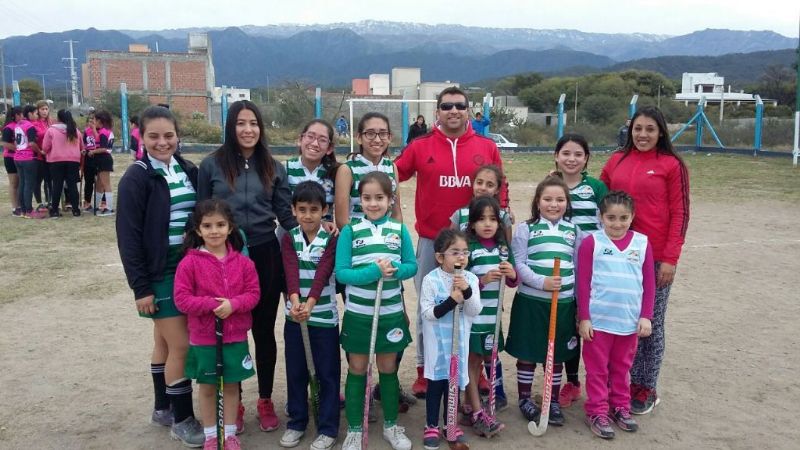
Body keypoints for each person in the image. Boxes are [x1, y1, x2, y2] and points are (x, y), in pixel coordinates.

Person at [394, 86, 508, 398]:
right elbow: (390, 174)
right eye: (447, 106)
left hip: (472, 244)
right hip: (433, 242)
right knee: (429, 307)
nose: (453, 111)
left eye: (459, 105)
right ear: (437, 112)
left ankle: (475, 370)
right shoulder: (420, 146)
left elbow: (502, 191)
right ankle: (424, 370)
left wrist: (498, 234)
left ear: (468, 110)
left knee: (474, 305)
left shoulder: (486, 146)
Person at [197, 100, 297, 433]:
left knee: (264, 331)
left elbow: (285, 216)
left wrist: (315, 229)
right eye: (241, 123)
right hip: (225, 258)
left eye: (253, 123)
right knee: (230, 332)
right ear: (231, 126)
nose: (248, 129)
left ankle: (265, 399)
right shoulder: (211, 165)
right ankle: (235, 401)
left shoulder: (274, 166)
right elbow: (200, 215)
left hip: (265, 252)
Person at [116, 105, 204, 447]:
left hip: (187, 265)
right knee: (182, 344)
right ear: (141, 136)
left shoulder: (187, 169)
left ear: (177, 136)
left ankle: (162, 407)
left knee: (164, 342)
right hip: (159, 271)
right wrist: (142, 288)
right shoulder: (136, 177)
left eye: (168, 135)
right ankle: (182, 419)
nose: (162, 142)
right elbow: (128, 237)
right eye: (153, 136)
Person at [600, 106, 690, 415]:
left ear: (661, 132)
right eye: (638, 128)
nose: (643, 135)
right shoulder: (616, 161)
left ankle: (645, 385)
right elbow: (598, 197)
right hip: (618, 256)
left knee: (650, 321)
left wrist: (670, 258)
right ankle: (619, 382)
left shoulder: (671, 165)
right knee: (620, 320)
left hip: (654, 259)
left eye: (650, 129)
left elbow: (680, 213)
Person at [335, 171, 417, 450]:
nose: (373, 203)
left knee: (388, 367)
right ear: (360, 200)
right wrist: (372, 271)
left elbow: (412, 266)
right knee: (357, 368)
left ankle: (392, 426)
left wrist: (393, 271)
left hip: (390, 313)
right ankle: (355, 429)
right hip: (359, 314)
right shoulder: (351, 231)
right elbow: (343, 273)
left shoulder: (399, 229)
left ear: (390, 199)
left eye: (379, 198)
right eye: (367, 198)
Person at [174, 198, 260, 450]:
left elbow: (253, 293)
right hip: (204, 338)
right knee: (209, 387)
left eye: (220, 225)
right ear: (198, 230)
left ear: (230, 227)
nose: (214, 231)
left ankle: (230, 433)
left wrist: (233, 304)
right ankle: (212, 435)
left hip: (235, 337)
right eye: (208, 226)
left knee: (232, 385)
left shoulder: (244, 263)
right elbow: (182, 300)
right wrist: (213, 305)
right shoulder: (189, 263)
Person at [577, 191, 655, 439]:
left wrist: (646, 316)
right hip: (598, 322)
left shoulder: (642, 243)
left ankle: (620, 406)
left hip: (628, 322)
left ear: (632, 217)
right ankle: (597, 411)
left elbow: (650, 284)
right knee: (597, 369)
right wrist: (584, 317)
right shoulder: (592, 242)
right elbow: (583, 282)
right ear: (601, 217)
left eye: (623, 217)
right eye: (611, 217)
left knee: (622, 368)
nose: (617, 223)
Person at [507, 175, 582, 428]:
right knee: (528, 352)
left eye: (560, 199)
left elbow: (580, 267)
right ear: (537, 201)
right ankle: (526, 398)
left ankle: (552, 399)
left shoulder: (573, 230)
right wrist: (541, 282)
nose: (554, 204)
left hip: (562, 304)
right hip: (531, 302)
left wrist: (578, 302)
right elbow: (518, 263)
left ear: (567, 202)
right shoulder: (527, 229)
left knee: (556, 354)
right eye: (548, 199)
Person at [279, 181, 340, 450]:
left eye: (314, 209)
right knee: (296, 372)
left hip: (323, 318)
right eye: (301, 209)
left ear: (324, 210)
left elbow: (323, 272)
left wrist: (311, 304)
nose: (307, 215)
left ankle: (327, 427)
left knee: (327, 373)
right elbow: (290, 272)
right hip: (295, 317)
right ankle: (297, 422)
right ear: (293, 210)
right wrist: (296, 302)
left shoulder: (332, 239)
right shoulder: (288, 237)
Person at [552, 133, 608, 408]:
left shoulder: (596, 188)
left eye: (578, 154)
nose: (571, 159)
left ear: (586, 159)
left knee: (587, 321)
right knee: (567, 324)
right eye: (566, 153)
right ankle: (571, 381)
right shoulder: (550, 186)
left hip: (592, 268)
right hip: (561, 267)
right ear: (556, 156)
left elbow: (608, 224)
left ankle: (598, 381)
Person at [419, 228, 481, 450]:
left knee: (454, 386)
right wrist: (451, 300)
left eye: (465, 252)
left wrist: (466, 292)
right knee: (436, 386)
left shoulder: (471, 279)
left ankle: (451, 424)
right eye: (455, 252)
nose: (461, 257)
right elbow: (428, 313)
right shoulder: (430, 280)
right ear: (439, 257)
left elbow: (474, 310)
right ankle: (432, 425)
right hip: (438, 346)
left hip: (460, 345)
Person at [462, 196, 516, 437]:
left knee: (486, 358)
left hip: (493, 317)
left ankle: (468, 404)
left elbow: (514, 281)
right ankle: (476, 411)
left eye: (493, 219)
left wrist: (511, 272)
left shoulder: (504, 248)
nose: (487, 224)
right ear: (472, 223)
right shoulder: (468, 248)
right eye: (481, 219)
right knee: (472, 363)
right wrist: (482, 281)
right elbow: (460, 284)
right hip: (474, 318)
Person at [334, 112, 403, 230]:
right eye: (370, 134)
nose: (377, 139)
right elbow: (341, 220)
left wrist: (394, 237)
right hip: (357, 242)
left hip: (387, 242)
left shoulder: (392, 167)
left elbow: (396, 211)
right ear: (359, 138)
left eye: (383, 134)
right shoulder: (347, 170)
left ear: (389, 137)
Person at [286, 119, 338, 221]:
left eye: (322, 140)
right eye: (310, 136)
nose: (315, 143)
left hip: (324, 233)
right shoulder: (285, 168)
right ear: (300, 140)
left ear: (329, 148)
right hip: (291, 231)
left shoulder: (336, 172)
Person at [42, 109, 83, 218]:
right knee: (72, 185)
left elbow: (45, 147)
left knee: (57, 185)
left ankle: (54, 210)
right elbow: (81, 147)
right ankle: (76, 210)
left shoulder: (51, 130)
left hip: (56, 160)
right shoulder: (76, 131)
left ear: (58, 118)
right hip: (73, 160)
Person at [14, 105, 42, 218]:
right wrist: (39, 151)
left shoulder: (18, 124)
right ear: (29, 114)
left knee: (22, 183)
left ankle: (23, 210)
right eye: (36, 113)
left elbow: (16, 143)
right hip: (28, 158)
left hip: (17, 157)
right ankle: (29, 211)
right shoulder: (30, 126)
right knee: (29, 185)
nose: (37, 115)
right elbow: (31, 143)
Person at [93, 110, 115, 216]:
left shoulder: (103, 132)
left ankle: (109, 208)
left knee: (106, 184)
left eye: (94, 119)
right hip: (101, 159)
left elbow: (103, 148)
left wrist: (92, 151)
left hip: (104, 159)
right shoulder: (105, 131)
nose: (93, 121)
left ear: (99, 121)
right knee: (99, 184)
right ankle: (97, 206)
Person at [2, 107, 21, 217]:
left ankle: (20, 205)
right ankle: (15, 207)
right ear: (14, 116)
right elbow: (4, 143)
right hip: (10, 157)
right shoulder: (8, 128)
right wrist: (18, 149)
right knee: (13, 183)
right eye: (20, 114)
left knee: (20, 182)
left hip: (21, 157)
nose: (22, 117)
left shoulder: (21, 125)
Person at [33, 101, 52, 212]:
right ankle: (40, 202)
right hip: (39, 155)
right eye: (42, 109)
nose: (44, 111)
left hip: (50, 155)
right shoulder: (35, 123)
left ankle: (49, 202)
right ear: (38, 110)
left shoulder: (51, 122)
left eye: (46, 109)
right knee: (38, 180)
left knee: (49, 181)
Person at [82, 111, 98, 211]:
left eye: (93, 119)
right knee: (89, 181)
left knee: (100, 181)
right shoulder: (86, 131)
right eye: (89, 120)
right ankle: (87, 202)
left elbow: (99, 140)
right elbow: (84, 143)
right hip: (88, 157)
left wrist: (94, 130)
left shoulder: (100, 130)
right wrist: (85, 150)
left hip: (98, 156)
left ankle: (103, 202)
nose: (91, 121)